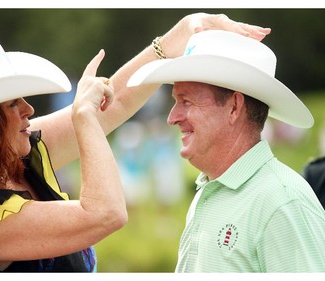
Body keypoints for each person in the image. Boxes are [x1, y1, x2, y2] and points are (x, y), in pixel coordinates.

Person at [0, 13, 270, 272]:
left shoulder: (19, 153)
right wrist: (85, 117)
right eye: (11, 104)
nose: (29, 110)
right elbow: (105, 214)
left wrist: (174, 39)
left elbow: (112, 105)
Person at [127, 29, 325, 272]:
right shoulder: (211, 190)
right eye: (175, 101)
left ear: (234, 107)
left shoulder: (282, 203)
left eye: (186, 101)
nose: (172, 117)